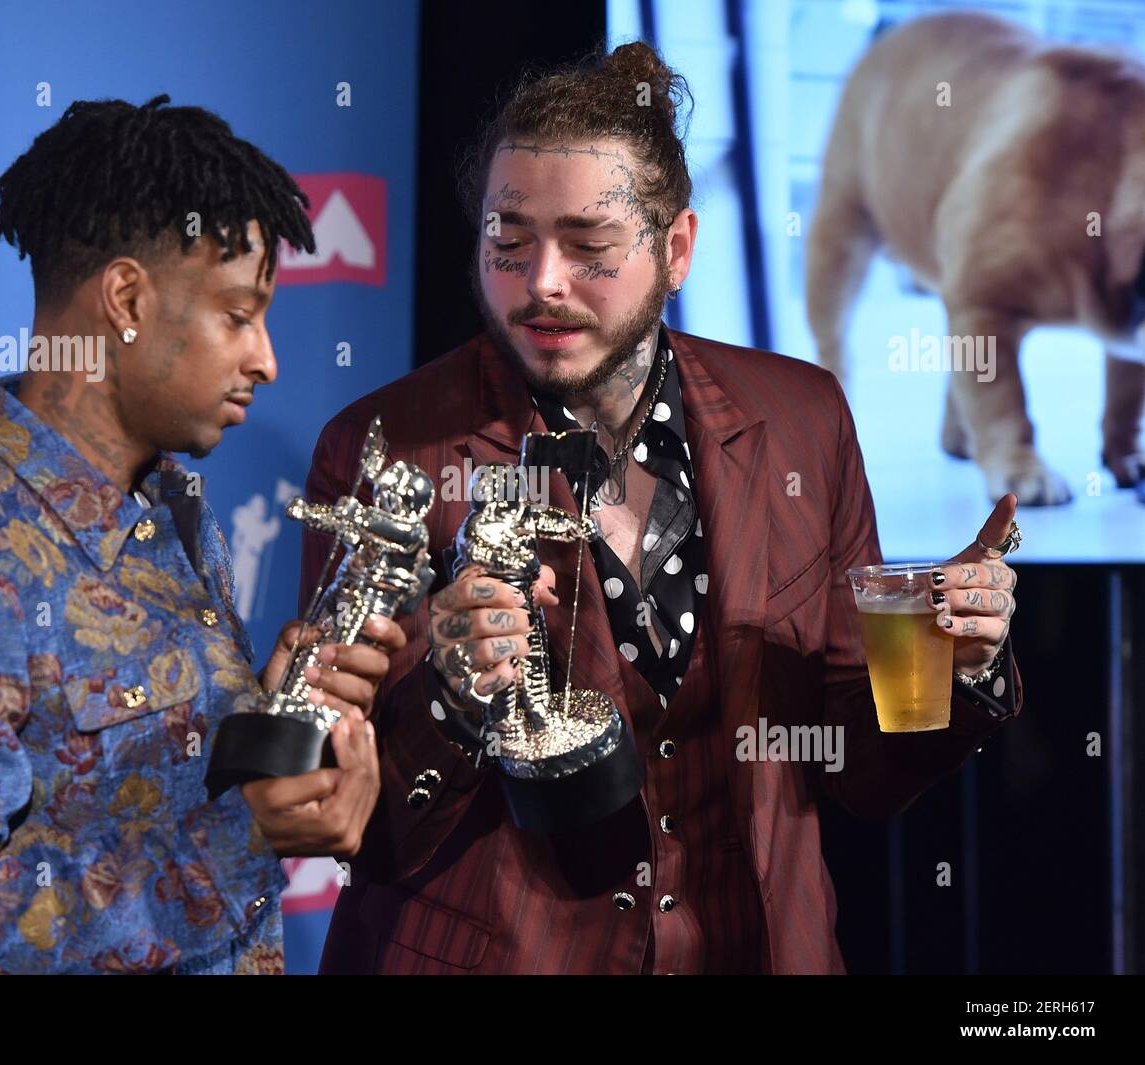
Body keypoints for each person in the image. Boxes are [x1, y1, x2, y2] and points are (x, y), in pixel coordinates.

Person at [300, 44, 1023, 974]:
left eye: (590, 247)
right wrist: (452, 693)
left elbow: (858, 769)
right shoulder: (387, 448)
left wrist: (958, 661)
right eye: (508, 244)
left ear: (675, 248)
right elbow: (349, 816)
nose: (542, 283)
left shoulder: (799, 418)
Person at [0, 95, 403, 974]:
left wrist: (267, 716)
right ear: (126, 298)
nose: (266, 358)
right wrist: (241, 838)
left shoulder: (171, 510)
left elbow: (138, 794)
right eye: (236, 313)